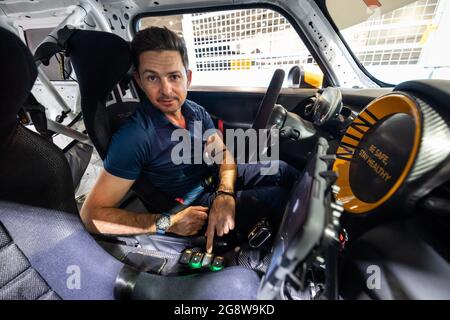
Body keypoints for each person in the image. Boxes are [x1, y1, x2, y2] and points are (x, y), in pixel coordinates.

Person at [80, 26, 299, 253]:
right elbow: (91, 215)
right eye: (152, 77)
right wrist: (167, 223)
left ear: (188, 78)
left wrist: (225, 193)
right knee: (278, 199)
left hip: (213, 183)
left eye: (174, 76)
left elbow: (222, 155)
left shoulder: (195, 111)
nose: (166, 90)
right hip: (194, 205)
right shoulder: (135, 137)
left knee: (282, 170)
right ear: (139, 81)